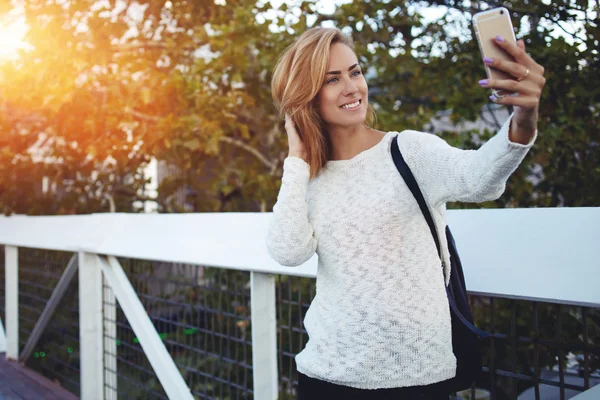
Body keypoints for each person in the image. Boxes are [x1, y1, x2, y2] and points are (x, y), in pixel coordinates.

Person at [266, 26, 545, 400]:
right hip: (325, 375)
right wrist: (296, 161)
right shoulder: (308, 178)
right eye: (332, 79)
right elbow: (288, 250)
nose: (352, 87)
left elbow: (479, 179)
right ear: (307, 97)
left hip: (417, 379)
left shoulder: (407, 151)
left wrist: (523, 121)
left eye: (355, 71)